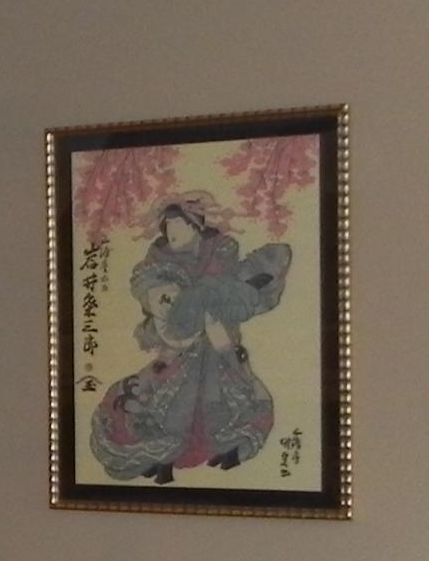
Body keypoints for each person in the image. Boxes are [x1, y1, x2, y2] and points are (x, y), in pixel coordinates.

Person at [91, 194, 291, 484]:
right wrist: (167, 304)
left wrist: (220, 302)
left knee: (230, 397)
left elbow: (246, 287)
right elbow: (149, 288)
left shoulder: (221, 253)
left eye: (177, 226)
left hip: (219, 344)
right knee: (167, 400)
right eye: (167, 228)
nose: (171, 233)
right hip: (180, 347)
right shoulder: (159, 261)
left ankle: (229, 449)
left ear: (195, 225)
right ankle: (160, 457)